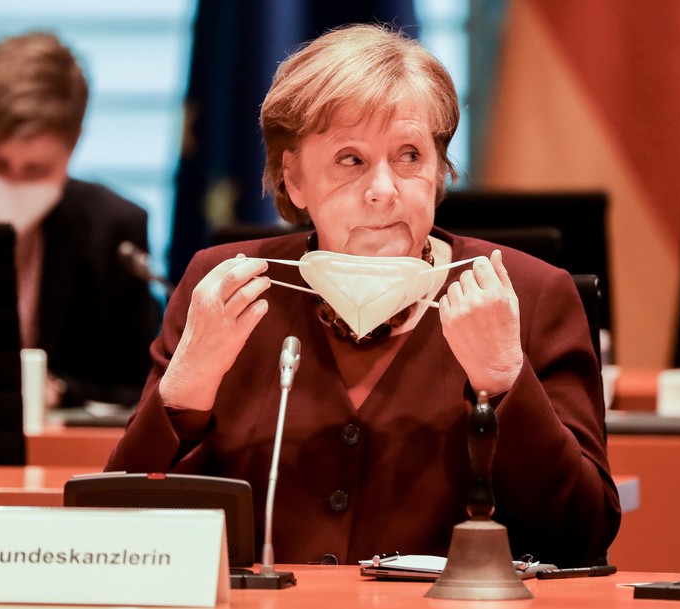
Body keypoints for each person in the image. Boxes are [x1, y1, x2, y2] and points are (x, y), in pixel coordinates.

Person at [106, 23, 620, 567]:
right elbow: (115, 536)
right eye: (350, 160)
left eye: (409, 156)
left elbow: (584, 537)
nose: (383, 189)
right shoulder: (224, 286)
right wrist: (185, 392)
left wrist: (505, 382)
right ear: (295, 179)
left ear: (439, 174)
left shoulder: (531, 295)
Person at [0, 31, 161, 408]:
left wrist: (60, 392)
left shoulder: (114, 230)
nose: (12, 184)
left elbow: (145, 390)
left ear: (75, 142)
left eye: (36, 171)